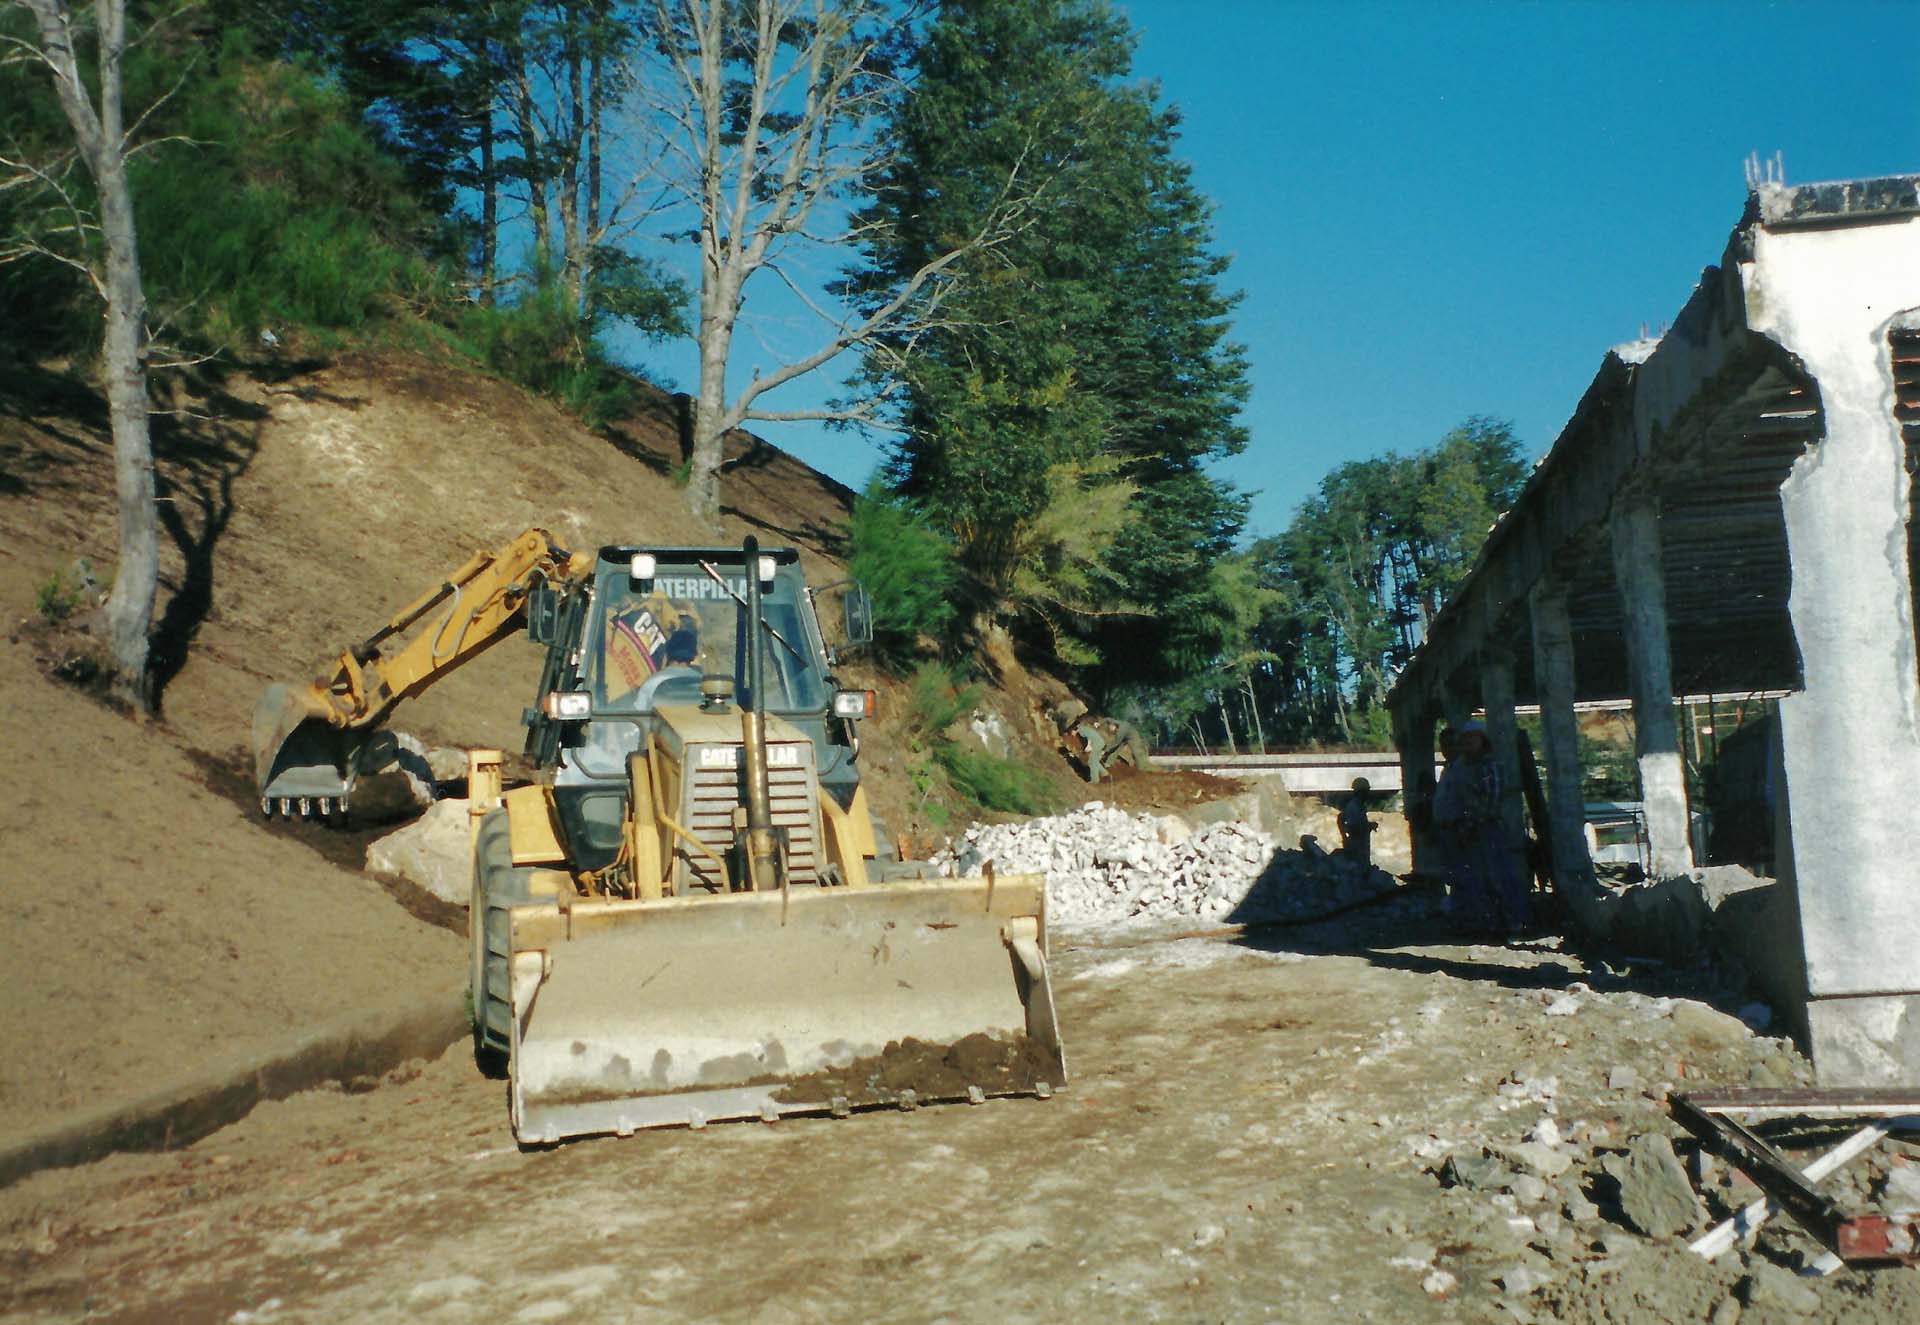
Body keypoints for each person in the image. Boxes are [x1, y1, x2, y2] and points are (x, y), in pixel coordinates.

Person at [1435, 719, 1529, 939]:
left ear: (1482, 741)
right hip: (1469, 829)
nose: (1468, 744)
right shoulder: (1464, 768)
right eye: (1465, 740)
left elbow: (1489, 804)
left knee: (1497, 877)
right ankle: (1485, 923)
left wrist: (1470, 825)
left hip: (1485, 829)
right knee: (1475, 880)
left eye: (1472, 739)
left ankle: (1511, 923)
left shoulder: (1489, 766)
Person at [1337, 776, 1377, 867]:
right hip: (1357, 845)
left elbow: (1340, 818)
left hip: (1360, 844)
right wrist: (1369, 826)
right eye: (1367, 791)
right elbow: (1355, 828)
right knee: (1360, 867)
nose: (1368, 793)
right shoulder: (1354, 807)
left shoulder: (1358, 805)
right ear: (1361, 792)